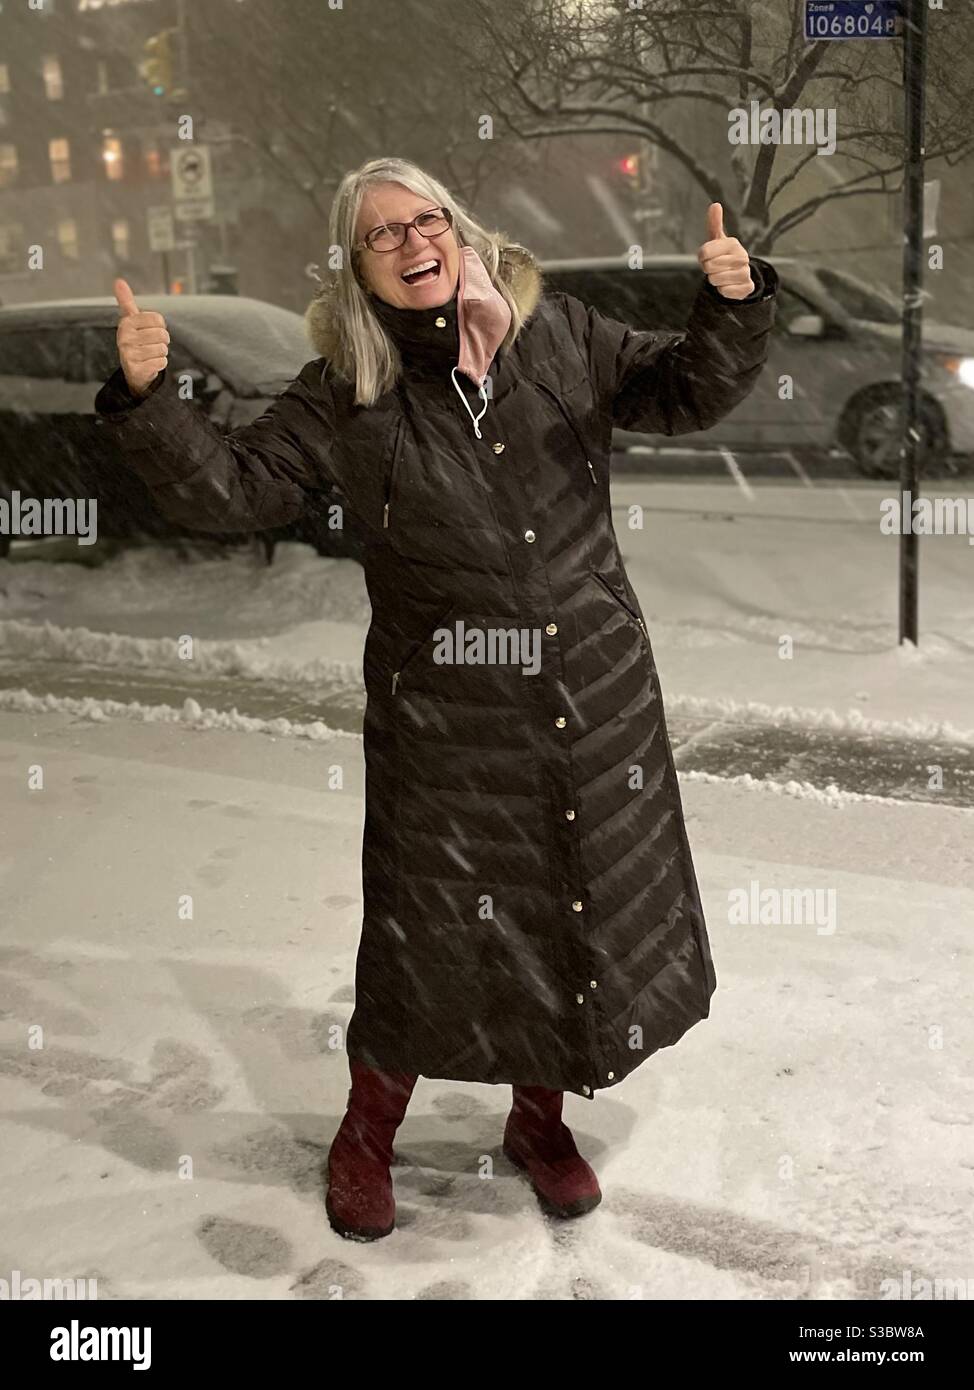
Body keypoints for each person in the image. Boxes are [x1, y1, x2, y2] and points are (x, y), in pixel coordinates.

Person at [96, 155, 778, 1242]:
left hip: (590, 697)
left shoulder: (558, 337)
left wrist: (731, 303)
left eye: (425, 221)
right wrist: (146, 399)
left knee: (573, 912)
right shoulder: (344, 394)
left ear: (458, 229)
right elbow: (231, 492)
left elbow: (686, 390)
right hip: (444, 728)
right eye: (382, 234)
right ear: (357, 267)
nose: (413, 244)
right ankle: (364, 1137)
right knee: (427, 938)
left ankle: (537, 1123)